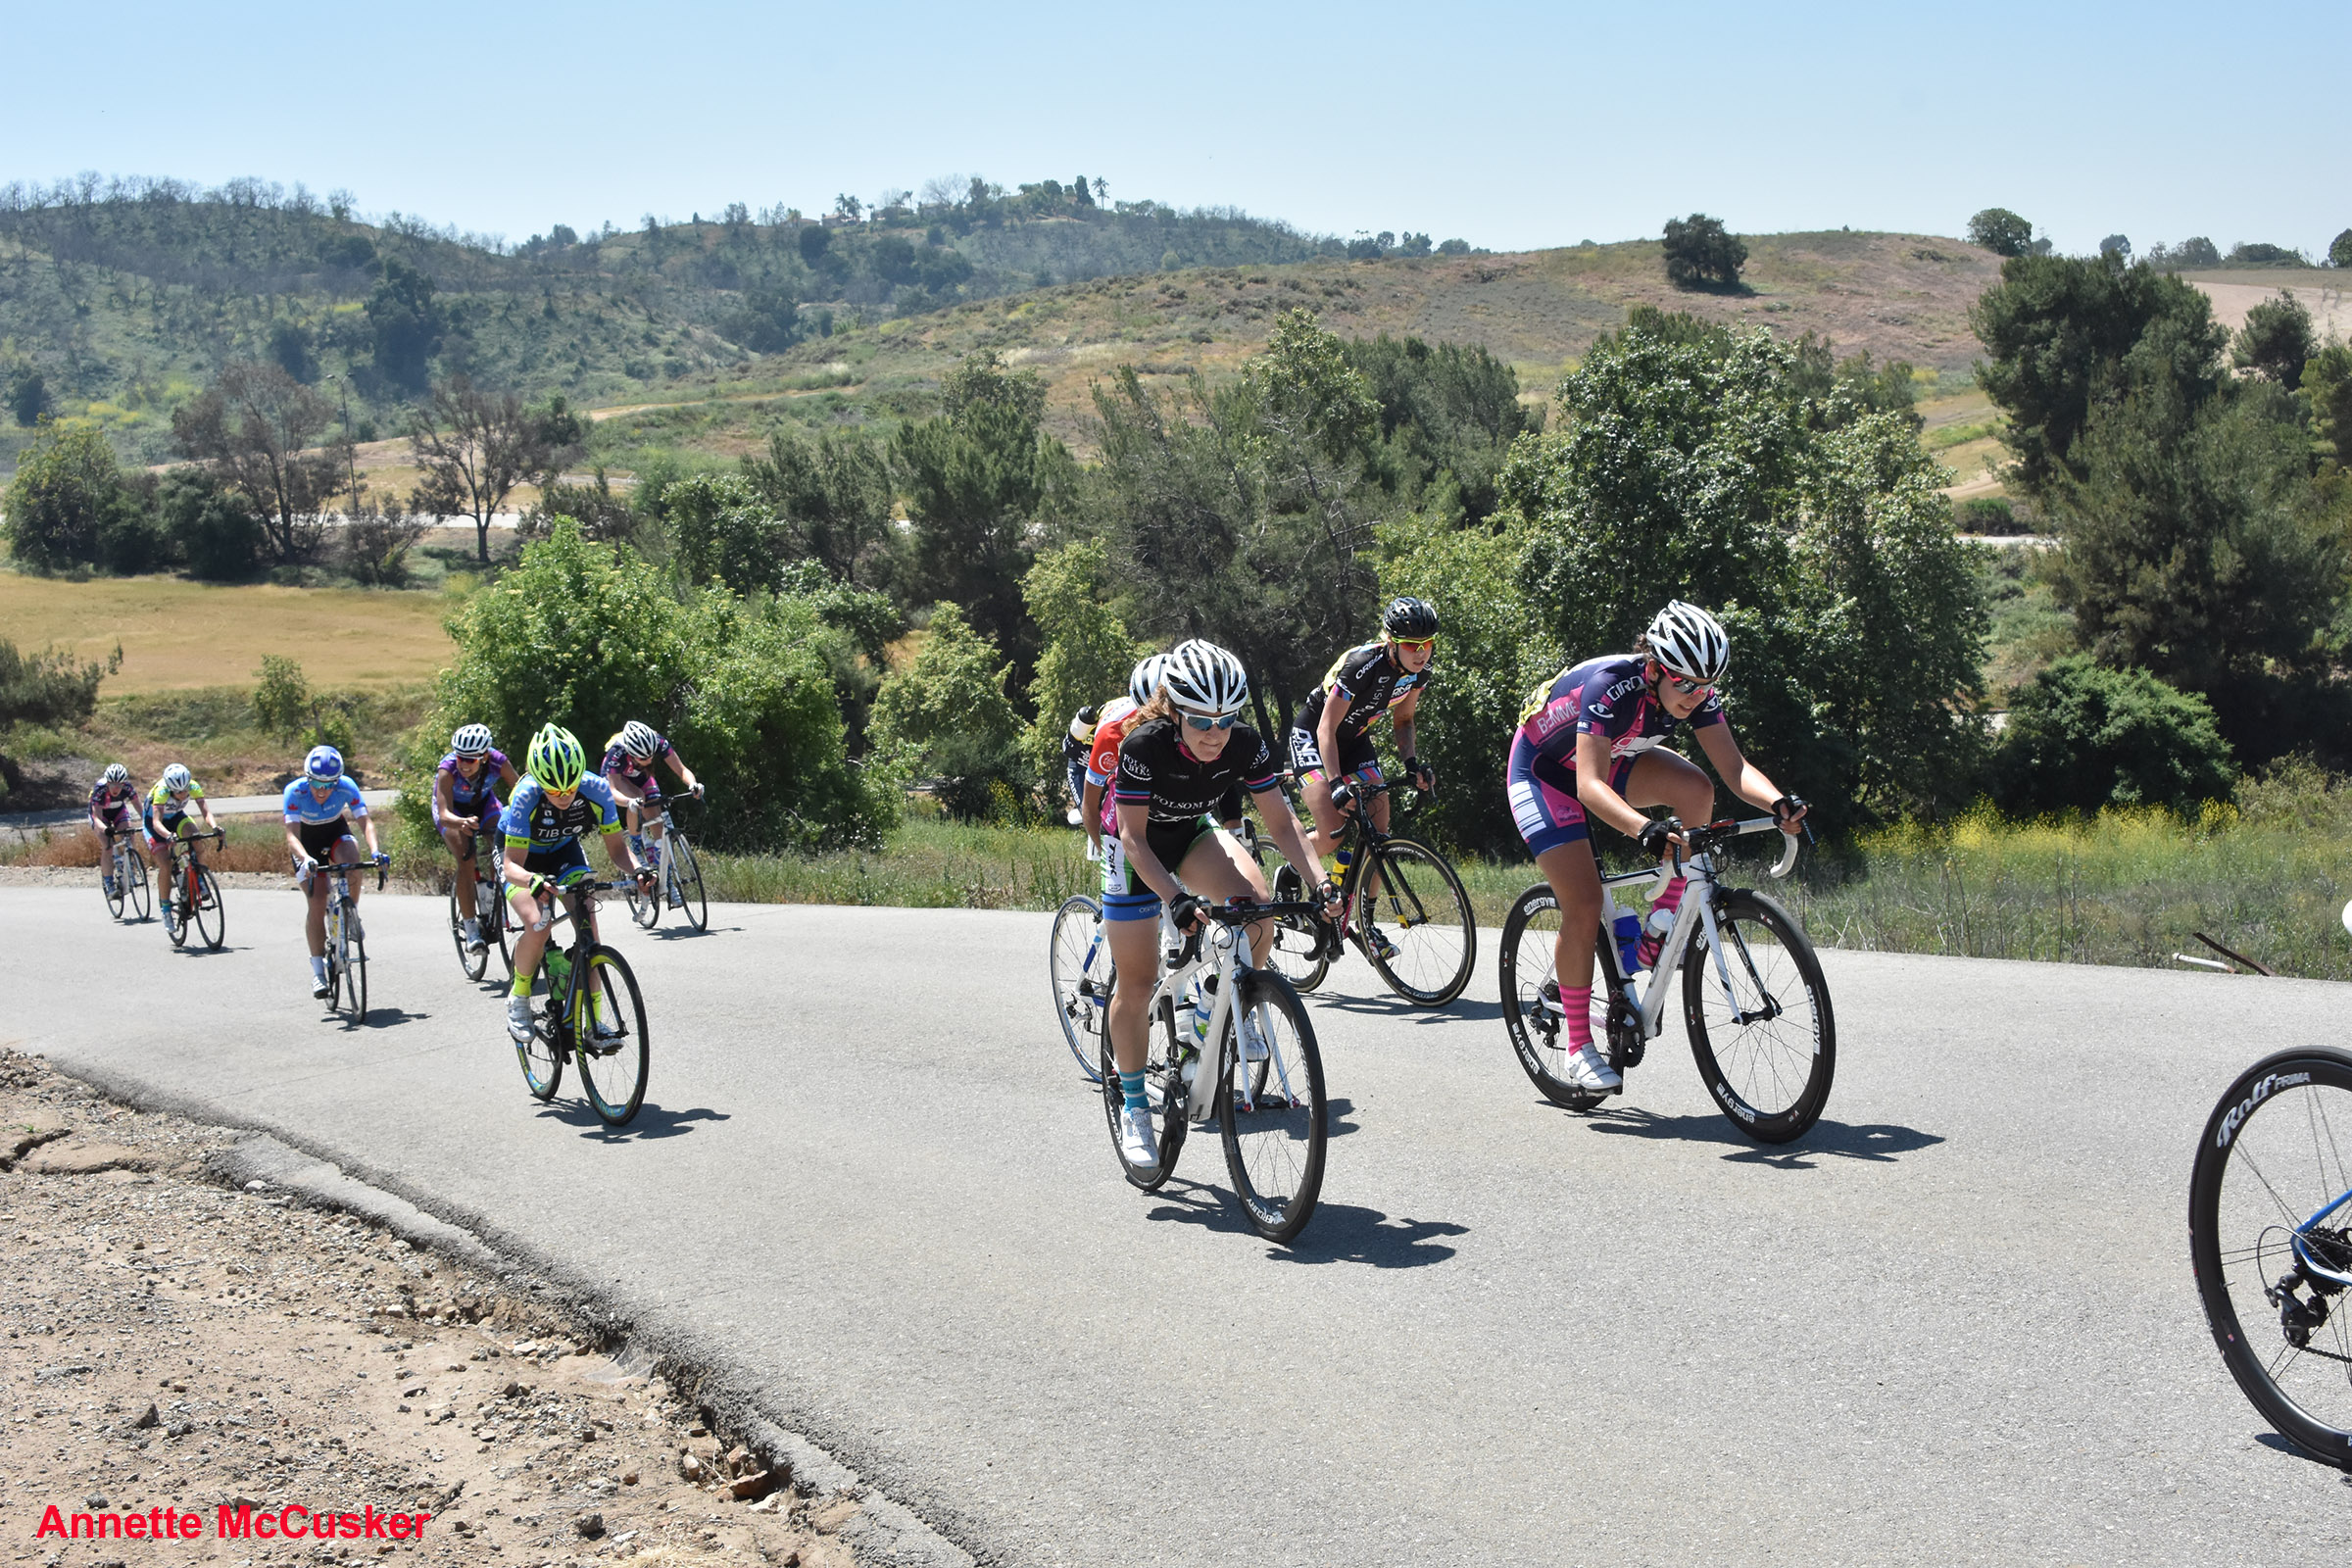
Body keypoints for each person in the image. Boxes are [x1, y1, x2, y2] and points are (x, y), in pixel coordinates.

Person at [1505, 601, 1807, 1092]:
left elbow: (1734, 769)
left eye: (1707, 686)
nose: (1696, 695)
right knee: (1583, 904)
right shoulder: (1611, 685)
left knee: (1698, 790)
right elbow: (1588, 785)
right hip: (1543, 772)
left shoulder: (1694, 692)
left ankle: (1662, 922)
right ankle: (1579, 1046)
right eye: (1685, 684)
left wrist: (1778, 802)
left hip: (1610, 759)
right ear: (1655, 669)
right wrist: (1643, 828)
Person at [1102, 640, 1335, 1168]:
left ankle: (1215, 1009)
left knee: (1258, 912)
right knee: (1137, 982)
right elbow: (1134, 839)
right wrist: (1175, 899)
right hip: (1134, 850)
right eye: (1202, 722)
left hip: (1188, 834)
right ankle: (1134, 1106)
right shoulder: (1144, 745)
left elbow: (1284, 824)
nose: (1215, 734)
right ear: (1175, 712)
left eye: (1226, 721)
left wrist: (1322, 884)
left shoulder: (1244, 744)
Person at [1288, 597, 1441, 960]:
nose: (1421, 652)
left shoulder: (1418, 672)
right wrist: (1336, 783)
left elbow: (1404, 719)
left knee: (1379, 828)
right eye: (1411, 645)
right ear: (1391, 642)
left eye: (1427, 644)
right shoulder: (1361, 665)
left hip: (1355, 742)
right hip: (1314, 737)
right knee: (1332, 829)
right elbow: (1326, 728)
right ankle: (1293, 870)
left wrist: (1411, 764)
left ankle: (1367, 925)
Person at [501, 724, 653, 1044]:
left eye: (570, 789)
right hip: (522, 860)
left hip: (563, 851)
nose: (564, 796)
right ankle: (519, 996)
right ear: (539, 782)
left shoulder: (596, 789)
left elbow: (617, 850)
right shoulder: (525, 795)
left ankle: (594, 1025)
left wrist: (639, 869)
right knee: (538, 923)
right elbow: (511, 865)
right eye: (554, 791)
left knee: (589, 927)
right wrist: (533, 880)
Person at [280, 746, 384, 999]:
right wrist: (306, 858)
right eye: (316, 783)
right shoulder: (294, 791)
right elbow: (291, 836)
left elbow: (366, 822)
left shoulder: (347, 786)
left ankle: (350, 913)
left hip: (335, 831)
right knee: (317, 901)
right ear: (307, 778)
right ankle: (318, 971)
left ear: (337, 781)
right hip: (306, 844)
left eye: (329, 785)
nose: (322, 790)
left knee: (353, 862)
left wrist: (376, 851)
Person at [432, 723, 521, 954]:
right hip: (454, 812)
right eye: (460, 757)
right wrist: (461, 823)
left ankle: (490, 895)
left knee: (502, 845)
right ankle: (471, 929)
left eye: (470, 759)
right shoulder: (447, 769)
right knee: (466, 859)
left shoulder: (498, 761)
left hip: (484, 804)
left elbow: (522, 792)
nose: (463, 763)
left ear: (484, 757)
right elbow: (444, 814)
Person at [600, 720, 701, 893]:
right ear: (631, 753)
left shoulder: (657, 741)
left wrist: (693, 784)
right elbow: (613, 789)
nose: (648, 760)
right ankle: (636, 846)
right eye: (643, 758)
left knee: (658, 822)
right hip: (618, 779)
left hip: (641, 776)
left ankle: (666, 878)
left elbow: (681, 769)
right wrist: (629, 802)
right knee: (637, 798)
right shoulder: (617, 752)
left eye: (651, 757)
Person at [142, 762, 222, 920]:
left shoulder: (193, 786)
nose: (184, 794)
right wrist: (168, 835)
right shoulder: (161, 791)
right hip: (154, 824)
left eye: (186, 789)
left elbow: (206, 812)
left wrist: (215, 827)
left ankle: (199, 878)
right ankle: (166, 909)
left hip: (177, 817)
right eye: (179, 792)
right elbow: (156, 823)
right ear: (170, 788)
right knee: (165, 864)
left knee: (196, 838)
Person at [87, 763, 139, 899]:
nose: (116, 788)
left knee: (129, 836)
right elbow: (97, 817)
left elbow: (140, 808)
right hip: (101, 816)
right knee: (108, 846)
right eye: (113, 785)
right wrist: (105, 829)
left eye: (120, 785)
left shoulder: (128, 787)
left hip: (118, 812)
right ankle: (109, 884)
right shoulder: (100, 789)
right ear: (108, 783)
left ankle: (129, 870)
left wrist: (149, 823)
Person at [1061, 706, 1101, 827]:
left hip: (1101, 771)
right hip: (1079, 770)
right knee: (1087, 810)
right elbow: (1066, 750)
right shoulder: (1076, 734)